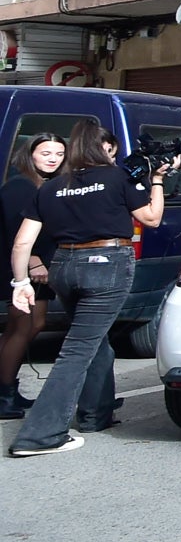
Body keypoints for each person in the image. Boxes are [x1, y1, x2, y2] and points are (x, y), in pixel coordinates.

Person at [6, 123, 175, 457]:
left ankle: (95, 413)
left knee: (94, 343)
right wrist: (157, 181)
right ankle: (41, 435)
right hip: (106, 264)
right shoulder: (116, 177)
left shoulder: (51, 187)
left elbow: (22, 242)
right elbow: (152, 218)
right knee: (78, 350)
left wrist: (20, 282)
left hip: (64, 267)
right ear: (102, 149)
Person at [0, 132, 67, 419]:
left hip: (39, 269)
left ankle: (8, 388)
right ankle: (4, 396)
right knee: (21, 327)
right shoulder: (21, 185)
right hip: (23, 270)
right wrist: (33, 264)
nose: (52, 159)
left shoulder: (46, 185)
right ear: (31, 155)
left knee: (34, 324)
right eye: (46, 153)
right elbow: (17, 231)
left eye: (59, 154)